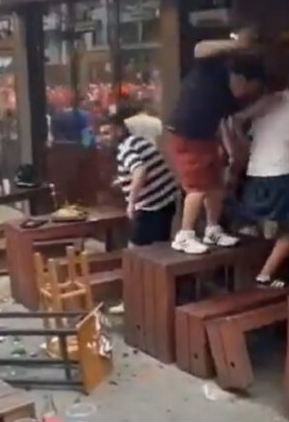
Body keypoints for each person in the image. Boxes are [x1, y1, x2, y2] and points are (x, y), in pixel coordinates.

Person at [165, 29, 270, 254]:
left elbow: (227, 123)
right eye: (247, 85)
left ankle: (212, 229)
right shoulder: (212, 66)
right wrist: (237, 44)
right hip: (187, 133)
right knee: (197, 187)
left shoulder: (231, 98)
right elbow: (199, 48)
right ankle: (184, 235)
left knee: (216, 185)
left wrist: (231, 151)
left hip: (205, 136)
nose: (247, 89)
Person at [242, 68, 289, 288]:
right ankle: (265, 275)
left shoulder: (268, 104)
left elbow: (249, 138)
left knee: (255, 222)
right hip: (283, 174)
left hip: (255, 171)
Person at [103, 112, 180, 246]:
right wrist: (123, 180)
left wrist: (131, 203)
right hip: (167, 198)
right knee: (158, 245)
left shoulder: (125, 148)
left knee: (138, 248)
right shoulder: (137, 140)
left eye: (107, 133)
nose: (104, 138)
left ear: (119, 130)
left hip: (152, 205)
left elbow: (140, 170)